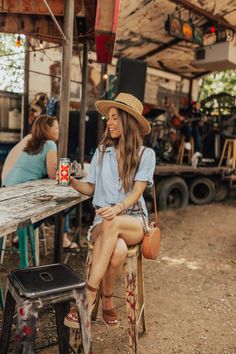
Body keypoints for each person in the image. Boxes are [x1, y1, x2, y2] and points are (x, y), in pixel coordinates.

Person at [64, 92, 156, 329]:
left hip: (133, 219)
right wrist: (72, 182)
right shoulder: (102, 151)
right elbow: (91, 188)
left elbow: (136, 192)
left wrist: (117, 208)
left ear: (127, 120)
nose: (110, 122)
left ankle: (88, 295)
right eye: (109, 118)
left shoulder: (146, 155)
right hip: (102, 221)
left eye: (115, 117)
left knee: (113, 223)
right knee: (118, 250)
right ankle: (106, 301)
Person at [1, 114, 79, 251]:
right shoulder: (50, 144)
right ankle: (63, 240)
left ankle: (21, 235)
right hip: (21, 193)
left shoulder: (31, 142)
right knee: (59, 203)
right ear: (47, 129)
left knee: (52, 202)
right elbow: (52, 174)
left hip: (9, 186)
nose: (58, 131)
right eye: (56, 128)